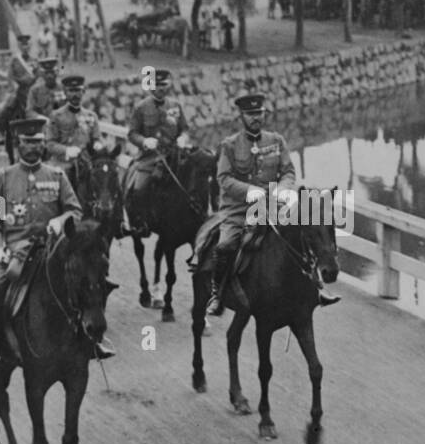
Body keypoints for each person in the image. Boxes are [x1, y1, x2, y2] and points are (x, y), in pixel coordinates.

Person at [0, 116, 113, 368]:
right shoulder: (4, 178)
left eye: (38, 142)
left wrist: (60, 221)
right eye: (28, 142)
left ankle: (91, 339)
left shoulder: (57, 176)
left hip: (53, 248)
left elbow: (75, 210)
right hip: (16, 250)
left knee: (91, 282)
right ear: (18, 144)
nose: (34, 147)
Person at [202, 93, 339, 315]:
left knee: (301, 236)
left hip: (273, 206)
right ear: (242, 116)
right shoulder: (229, 145)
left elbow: (288, 171)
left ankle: (316, 289)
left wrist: (283, 188)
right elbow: (224, 179)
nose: (256, 118)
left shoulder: (276, 141)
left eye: (259, 113)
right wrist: (251, 191)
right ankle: (217, 294)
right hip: (239, 209)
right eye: (251, 114)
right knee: (225, 245)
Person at [122, 68, 188, 237]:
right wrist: (144, 141)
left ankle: (193, 219)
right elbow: (132, 134)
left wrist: (183, 138)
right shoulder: (141, 107)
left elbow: (184, 129)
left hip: (174, 155)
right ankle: (140, 223)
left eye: (164, 85)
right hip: (149, 158)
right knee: (139, 189)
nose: (161, 88)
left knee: (194, 179)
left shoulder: (175, 105)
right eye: (157, 85)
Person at [45, 75, 105, 170]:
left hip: (86, 163)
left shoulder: (91, 116)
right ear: (65, 93)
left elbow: (97, 137)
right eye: (71, 91)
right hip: (63, 162)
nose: (75, 95)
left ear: (83, 92)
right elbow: (50, 144)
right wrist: (66, 150)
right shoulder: (56, 116)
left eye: (78, 90)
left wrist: (98, 143)